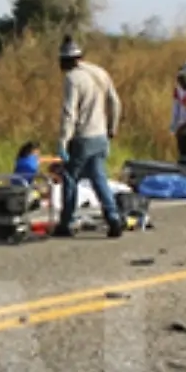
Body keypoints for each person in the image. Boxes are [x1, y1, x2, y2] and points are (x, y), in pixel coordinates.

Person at [54, 36, 122, 238]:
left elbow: (69, 112)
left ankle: (66, 222)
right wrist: (112, 128)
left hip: (83, 137)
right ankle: (113, 218)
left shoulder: (73, 78)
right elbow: (115, 102)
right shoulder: (100, 72)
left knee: (70, 177)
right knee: (98, 177)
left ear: (67, 60)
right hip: (101, 136)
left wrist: (63, 141)